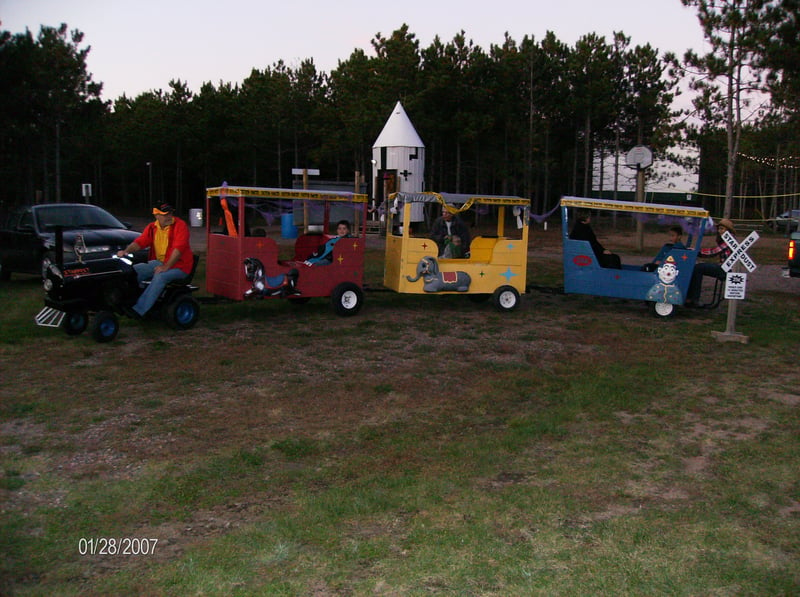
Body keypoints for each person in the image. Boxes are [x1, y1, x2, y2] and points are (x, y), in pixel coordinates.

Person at [117, 203, 194, 318]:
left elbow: (179, 249)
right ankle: (128, 300)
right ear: (156, 215)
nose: (169, 216)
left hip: (181, 266)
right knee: (134, 271)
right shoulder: (152, 228)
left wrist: (166, 266)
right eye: (165, 214)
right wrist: (126, 251)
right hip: (160, 262)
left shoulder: (180, 226)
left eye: (170, 213)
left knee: (161, 276)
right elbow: (140, 242)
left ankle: (139, 310)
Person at [685, 218, 736, 306]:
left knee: (698, 268)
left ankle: (694, 298)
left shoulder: (729, 241)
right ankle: (690, 297)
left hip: (725, 269)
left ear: (728, 230)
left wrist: (697, 252)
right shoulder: (726, 240)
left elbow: (714, 252)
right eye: (719, 229)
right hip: (723, 267)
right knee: (697, 267)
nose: (720, 231)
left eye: (722, 229)